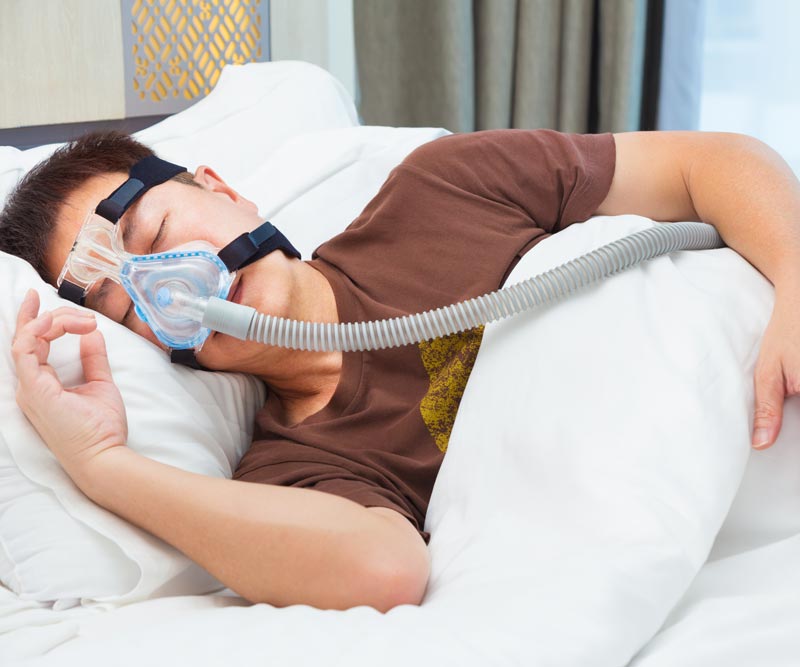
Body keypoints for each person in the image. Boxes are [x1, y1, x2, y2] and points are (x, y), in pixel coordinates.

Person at [3, 128, 800, 613]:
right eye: (127, 300)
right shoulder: (291, 474)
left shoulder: (443, 189)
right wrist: (104, 466)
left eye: (159, 231)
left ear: (222, 189)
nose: (173, 281)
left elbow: (710, 163)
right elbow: (384, 568)